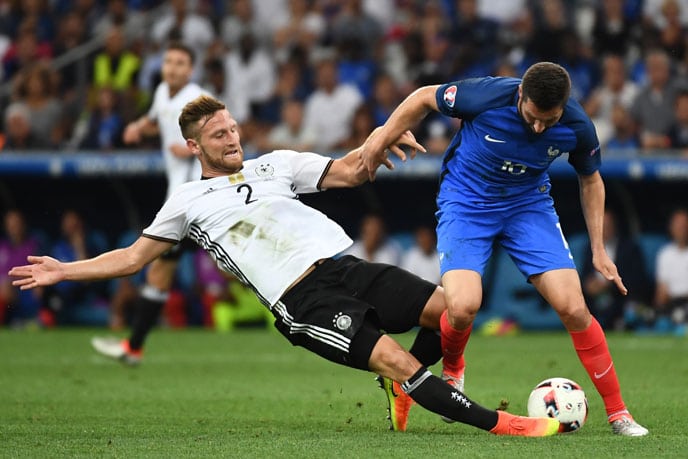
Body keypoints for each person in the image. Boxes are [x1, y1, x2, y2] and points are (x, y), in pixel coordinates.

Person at [9, 94, 561, 438]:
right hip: (303, 302)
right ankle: (504, 425)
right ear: (193, 147)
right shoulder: (185, 203)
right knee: (399, 362)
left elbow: (349, 172)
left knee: (452, 308)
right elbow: (131, 258)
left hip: (345, 267)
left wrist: (382, 140)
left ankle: (407, 391)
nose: (232, 139)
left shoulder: (275, 163)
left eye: (232, 128)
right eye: (219, 135)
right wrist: (65, 270)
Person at [360, 62, 649, 436]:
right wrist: (381, 136)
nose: (540, 127)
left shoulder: (577, 126)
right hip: (467, 202)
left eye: (550, 120)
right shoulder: (485, 95)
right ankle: (453, 372)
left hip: (527, 207)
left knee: (575, 308)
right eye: (533, 116)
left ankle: (619, 413)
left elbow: (591, 179)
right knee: (462, 307)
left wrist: (598, 248)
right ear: (520, 96)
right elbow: (422, 97)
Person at [90, 42, 210, 365]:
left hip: (197, 200)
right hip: (180, 200)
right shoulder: (161, 92)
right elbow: (157, 117)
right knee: (161, 269)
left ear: (191, 69)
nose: (173, 67)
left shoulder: (198, 100)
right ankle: (134, 347)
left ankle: (134, 346)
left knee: (150, 264)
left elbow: (226, 133)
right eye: (169, 61)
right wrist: (138, 127)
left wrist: (193, 149)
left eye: (181, 63)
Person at [581, 209, 650, 330]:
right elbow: (585, 276)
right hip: (595, 300)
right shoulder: (589, 248)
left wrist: (610, 284)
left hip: (621, 299)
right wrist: (589, 286)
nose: (604, 229)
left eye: (607, 225)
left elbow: (638, 280)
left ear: (615, 226)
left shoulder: (630, 248)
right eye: (601, 225)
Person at [654, 208, 688, 331]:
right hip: (671, 303)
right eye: (677, 225)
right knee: (661, 323)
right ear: (671, 227)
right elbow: (661, 292)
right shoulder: (665, 254)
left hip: (686, 303)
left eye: (684, 225)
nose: (681, 229)